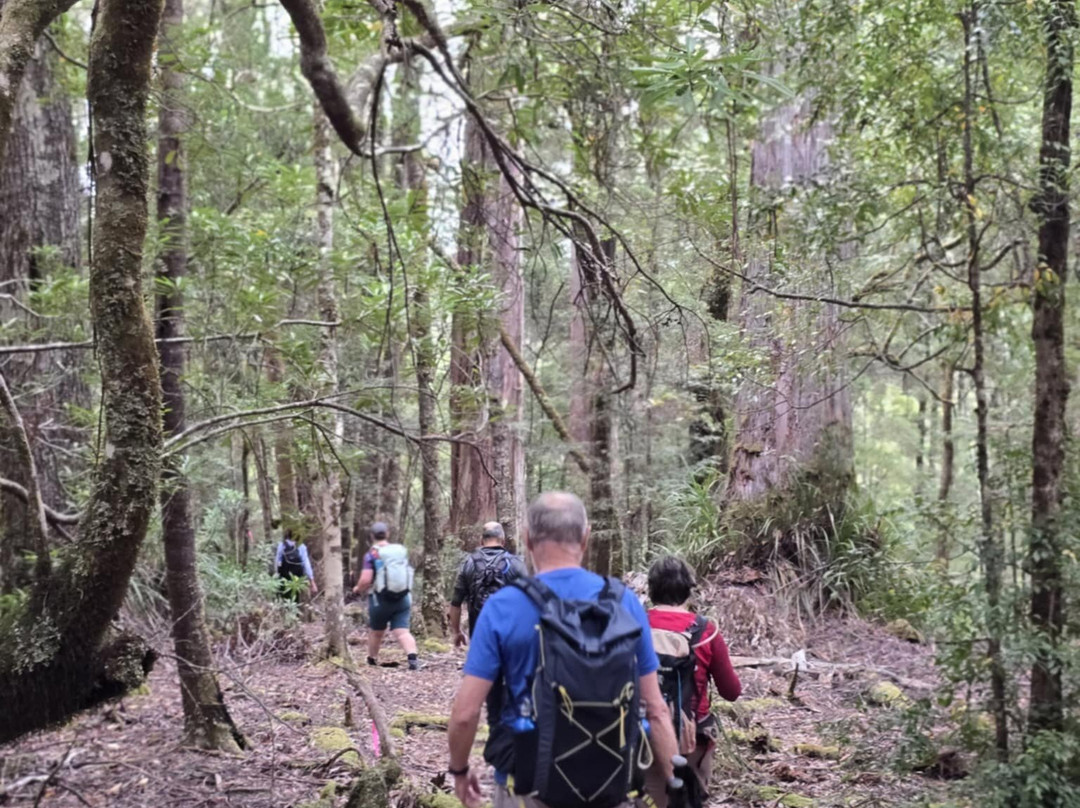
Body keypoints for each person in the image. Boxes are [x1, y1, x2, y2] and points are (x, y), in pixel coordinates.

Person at [446, 491, 681, 808]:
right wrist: (675, 781)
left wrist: (459, 770)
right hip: (611, 786)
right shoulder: (624, 602)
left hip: (525, 787)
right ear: (585, 538)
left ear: (527, 539)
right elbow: (656, 709)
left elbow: (465, 714)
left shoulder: (503, 606)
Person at [644, 556, 741, 807]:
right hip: (693, 739)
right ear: (688, 589)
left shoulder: (635, 625)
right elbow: (731, 691)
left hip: (643, 737)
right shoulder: (706, 631)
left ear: (651, 589)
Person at [352, 521, 420, 671]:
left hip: (380, 599)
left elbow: (366, 580)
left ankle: (372, 659)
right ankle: (413, 659)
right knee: (402, 631)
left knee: (376, 632)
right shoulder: (399, 551)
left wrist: (357, 589)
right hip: (403, 597)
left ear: (371, 536)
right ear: (387, 534)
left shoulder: (373, 554)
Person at [449, 521, 528, 647]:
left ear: (481, 541)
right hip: (510, 635)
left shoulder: (468, 564)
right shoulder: (516, 564)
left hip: (479, 634)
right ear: (503, 541)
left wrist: (457, 632)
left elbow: (455, 604)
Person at [275, 530, 317, 601]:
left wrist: (277, 575)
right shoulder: (301, 547)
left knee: (283, 598)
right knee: (294, 599)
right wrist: (312, 581)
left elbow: (277, 563)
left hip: (283, 578)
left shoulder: (281, 545)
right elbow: (306, 565)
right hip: (297, 580)